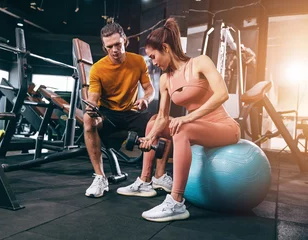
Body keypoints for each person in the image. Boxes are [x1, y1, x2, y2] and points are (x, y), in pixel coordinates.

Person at [117, 18, 241, 222]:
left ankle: (176, 202)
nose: (153, 62)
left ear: (165, 48)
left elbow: (222, 94)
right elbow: (164, 117)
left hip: (223, 127)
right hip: (197, 126)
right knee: (153, 121)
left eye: (154, 56)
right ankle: (145, 181)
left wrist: (188, 118)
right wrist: (150, 138)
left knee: (182, 128)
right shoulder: (166, 79)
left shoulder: (200, 62)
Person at [84, 22, 173, 198]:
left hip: (131, 113)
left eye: (117, 44)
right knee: (88, 120)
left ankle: (159, 176)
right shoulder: (98, 69)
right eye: (109, 46)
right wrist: (91, 107)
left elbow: (150, 89)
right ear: (104, 47)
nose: (114, 50)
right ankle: (100, 178)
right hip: (108, 115)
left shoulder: (138, 61)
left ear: (124, 40)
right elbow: (93, 98)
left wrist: (146, 100)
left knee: (162, 121)